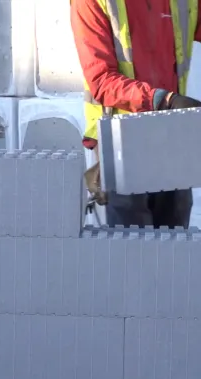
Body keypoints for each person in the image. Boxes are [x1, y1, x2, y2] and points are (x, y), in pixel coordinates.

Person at [71, 0, 201, 228]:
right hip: (120, 139)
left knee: (176, 243)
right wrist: (165, 100)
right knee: (132, 247)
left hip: (171, 132)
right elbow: (101, 80)